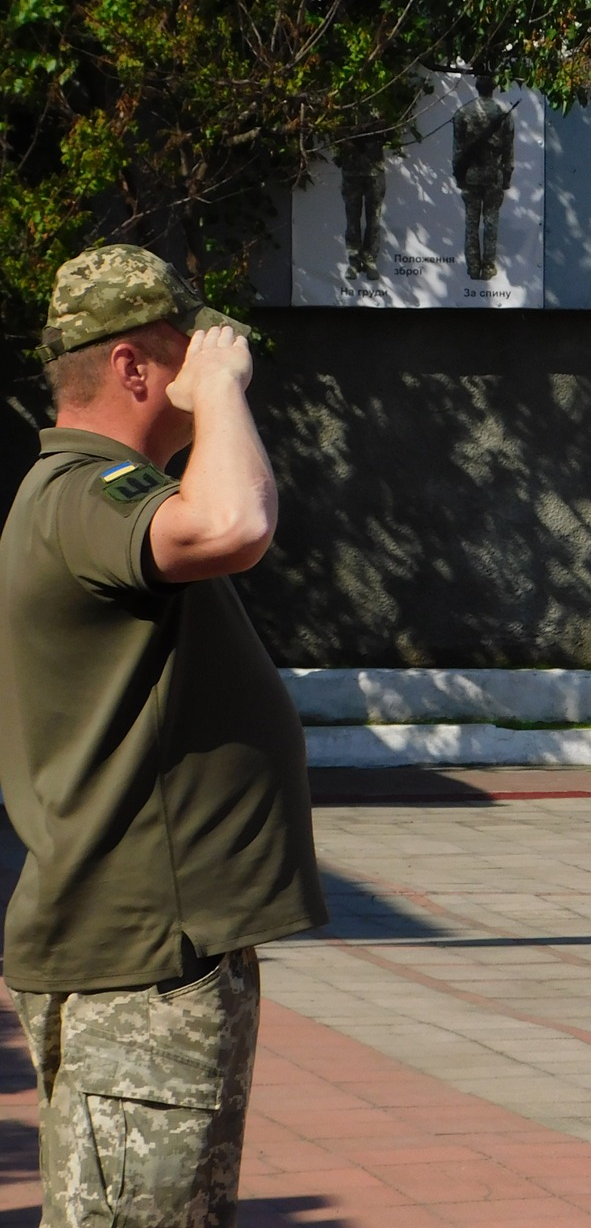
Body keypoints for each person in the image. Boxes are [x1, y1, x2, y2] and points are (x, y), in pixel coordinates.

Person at [2, 246, 326, 1228]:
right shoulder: (84, 495)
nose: (211, 364)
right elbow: (232, 522)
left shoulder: (96, 498)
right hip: (136, 971)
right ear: (136, 369)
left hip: (154, 961)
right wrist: (224, 389)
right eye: (187, 349)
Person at [452, 69, 516, 281]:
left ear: (477, 87)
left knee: (471, 223)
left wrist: (458, 175)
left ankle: (472, 267)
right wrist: (507, 177)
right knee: (491, 222)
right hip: (493, 175)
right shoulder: (503, 112)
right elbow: (508, 150)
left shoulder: (463, 112)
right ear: (494, 87)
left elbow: (458, 149)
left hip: (470, 175)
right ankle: (488, 267)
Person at [338, 133, 387, 280]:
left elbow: (389, 129)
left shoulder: (380, 111)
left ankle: (369, 260)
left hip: (374, 170)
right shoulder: (340, 111)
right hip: (351, 170)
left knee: (374, 218)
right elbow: (335, 132)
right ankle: (354, 261)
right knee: (352, 217)